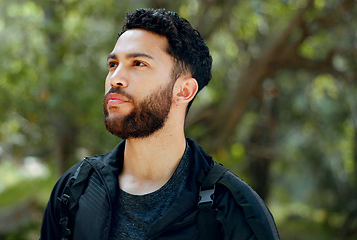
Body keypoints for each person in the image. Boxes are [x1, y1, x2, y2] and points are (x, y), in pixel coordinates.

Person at [40, 8, 280, 240]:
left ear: (184, 90)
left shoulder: (233, 210)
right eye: (113, 64)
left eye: (138, 64)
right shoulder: (74, 190)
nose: (115, 78)